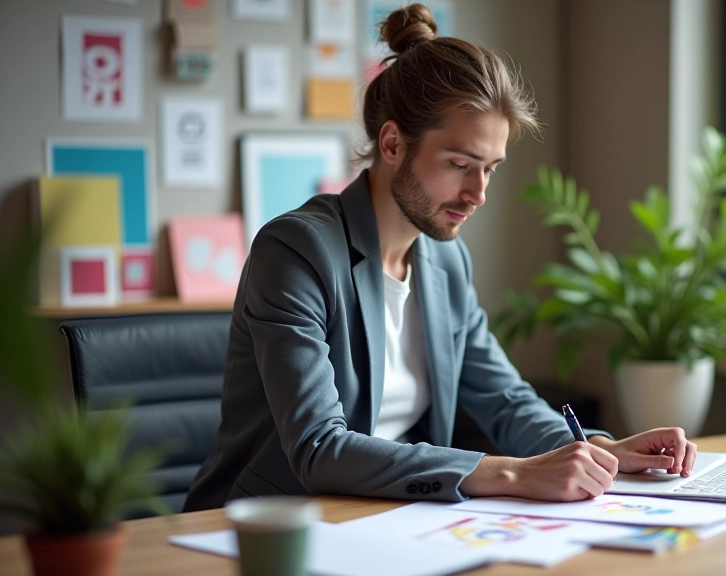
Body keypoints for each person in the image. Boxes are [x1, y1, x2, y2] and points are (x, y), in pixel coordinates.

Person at [184, 4, 697, 512]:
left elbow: (504, 400)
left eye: (490, 168)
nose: (478, 193)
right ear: (392, 143)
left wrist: (602, 450)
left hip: (385, 521)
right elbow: (319, 449)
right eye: (459, 164)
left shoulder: (446, 264)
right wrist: (513, 471)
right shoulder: (297, 253)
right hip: (264, 530)